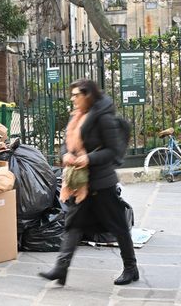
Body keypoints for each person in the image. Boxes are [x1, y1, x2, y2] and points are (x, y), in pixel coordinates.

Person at [39, 79, 138, 286]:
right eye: (72, 95)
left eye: (77, 95)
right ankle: (60, 269)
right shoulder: (77, 116)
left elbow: (112, 150)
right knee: (73, 225)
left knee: (118, 225)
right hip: (80, 183)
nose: (73, 98)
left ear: (88, 95)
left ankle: (131, 268)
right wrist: (65, 155)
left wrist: (89, 158)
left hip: (101, 183)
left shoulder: (103, 118)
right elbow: (68, 144)